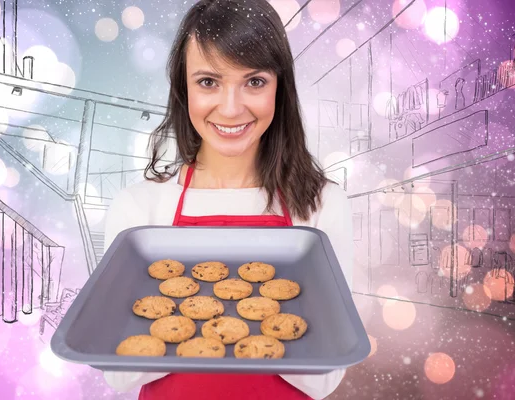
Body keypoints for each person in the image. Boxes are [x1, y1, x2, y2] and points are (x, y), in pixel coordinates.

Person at [102, 0, 354, 399]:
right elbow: (118, 372)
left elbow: (326, 378)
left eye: (254, 81)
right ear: (183, 87)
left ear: (280, 87)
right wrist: (202, 328)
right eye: (208, 82)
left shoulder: (323, 205)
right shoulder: (139, 209)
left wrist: (246, 332)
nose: (232, 108)